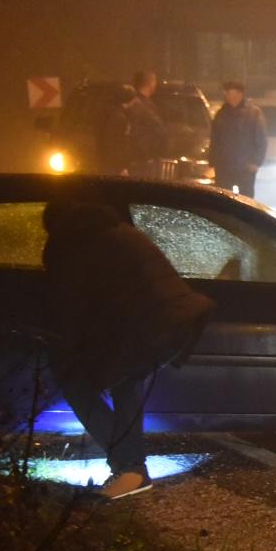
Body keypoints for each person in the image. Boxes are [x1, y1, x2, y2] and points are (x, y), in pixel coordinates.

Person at [42, 201, 213, 500]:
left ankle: (131, 467)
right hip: (168, 321)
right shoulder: (116, 232)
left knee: (80, 382)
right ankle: (130, 466)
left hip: (148, 327)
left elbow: (72, 306)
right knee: (124, 384)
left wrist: (65, 349)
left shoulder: (82, 247)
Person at [209, 80, 268, 197]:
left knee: (246, 200)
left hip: (245, 168)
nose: (230, 97)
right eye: (227, 94)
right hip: (224, 167)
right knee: (223, 199)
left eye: (232, 94)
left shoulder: (253, 113)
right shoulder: (221, 114)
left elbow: (261, 139)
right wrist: (213, 161)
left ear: (240, 94)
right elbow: (215, 139)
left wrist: (255, 162)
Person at [126, 70, 167, 178]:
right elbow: (155, 130)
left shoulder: (130, 103)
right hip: (143, 160)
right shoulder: (144, 106)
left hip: (136, 158)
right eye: (154, 82)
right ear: (150, 84)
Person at [93, 85, 134, 176]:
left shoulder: (108, 113)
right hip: (113, 167)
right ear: (129, 101)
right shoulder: (119, 117)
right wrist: (120, 167)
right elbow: (115, 144)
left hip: (105, 164)